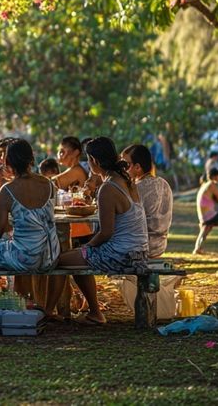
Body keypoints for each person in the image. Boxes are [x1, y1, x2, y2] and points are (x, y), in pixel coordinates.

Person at [46, 137, 147, 324]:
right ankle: (86, 311)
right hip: (138, 249)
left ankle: (50, 311)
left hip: (122, 253)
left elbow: (106, 232)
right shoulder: (126, 181)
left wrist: (87, 247)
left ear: (95, 161)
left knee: (59, 260)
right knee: (76, 257)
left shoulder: (108, 188)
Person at [0, 139, 60, 274]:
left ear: (7, 162)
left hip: (27, 260)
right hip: (51, 257)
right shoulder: (48, 184)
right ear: (31, 159)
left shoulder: (7, 190)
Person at [122, 144, 172, 258]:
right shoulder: (164, 183)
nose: (122, 169)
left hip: (140, 246)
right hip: (160, 245)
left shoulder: (136, 188)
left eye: (126, 165)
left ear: (138, 167)